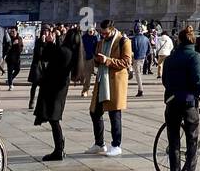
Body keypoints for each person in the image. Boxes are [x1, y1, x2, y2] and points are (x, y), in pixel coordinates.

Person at [162, 25, 200, 171]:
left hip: (172, 102)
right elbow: (198, 80)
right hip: (189, 102)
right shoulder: (195, 57)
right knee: (192, 140)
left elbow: (165, 81)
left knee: (174, 141)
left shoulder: (170, 59)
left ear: (179, 40)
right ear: (193, 40)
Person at [87, 20, 132, 157]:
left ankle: (116, 145)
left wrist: (107, 60)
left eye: (105, 33)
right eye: (101, 33)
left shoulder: (123, 41)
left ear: (112, 30)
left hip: (115, 81)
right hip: (102, 80)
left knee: (114, 114)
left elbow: (126, 61)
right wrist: (97, 59)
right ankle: (99, 143)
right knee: (94, 112)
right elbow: (96, 58)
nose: (103, 35)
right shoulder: (101, 42)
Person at [34, 26, 78, 161]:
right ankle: (59, 148)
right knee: (54, 119)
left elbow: (45, 57)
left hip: (54, 89)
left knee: (54, 119)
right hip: (59, 89)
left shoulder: (64, 51)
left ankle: (59, 150)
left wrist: (48, 42)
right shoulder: (71, 52)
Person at [129, 23, 149, 98]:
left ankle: (140, 89)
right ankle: (140, 89)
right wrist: (145, 55)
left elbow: (132, 49)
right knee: (138, 73)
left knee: (138, 74)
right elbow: (148, 49)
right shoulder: (146, 39)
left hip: (136, 57)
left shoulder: (134, 39)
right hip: (143, 57)